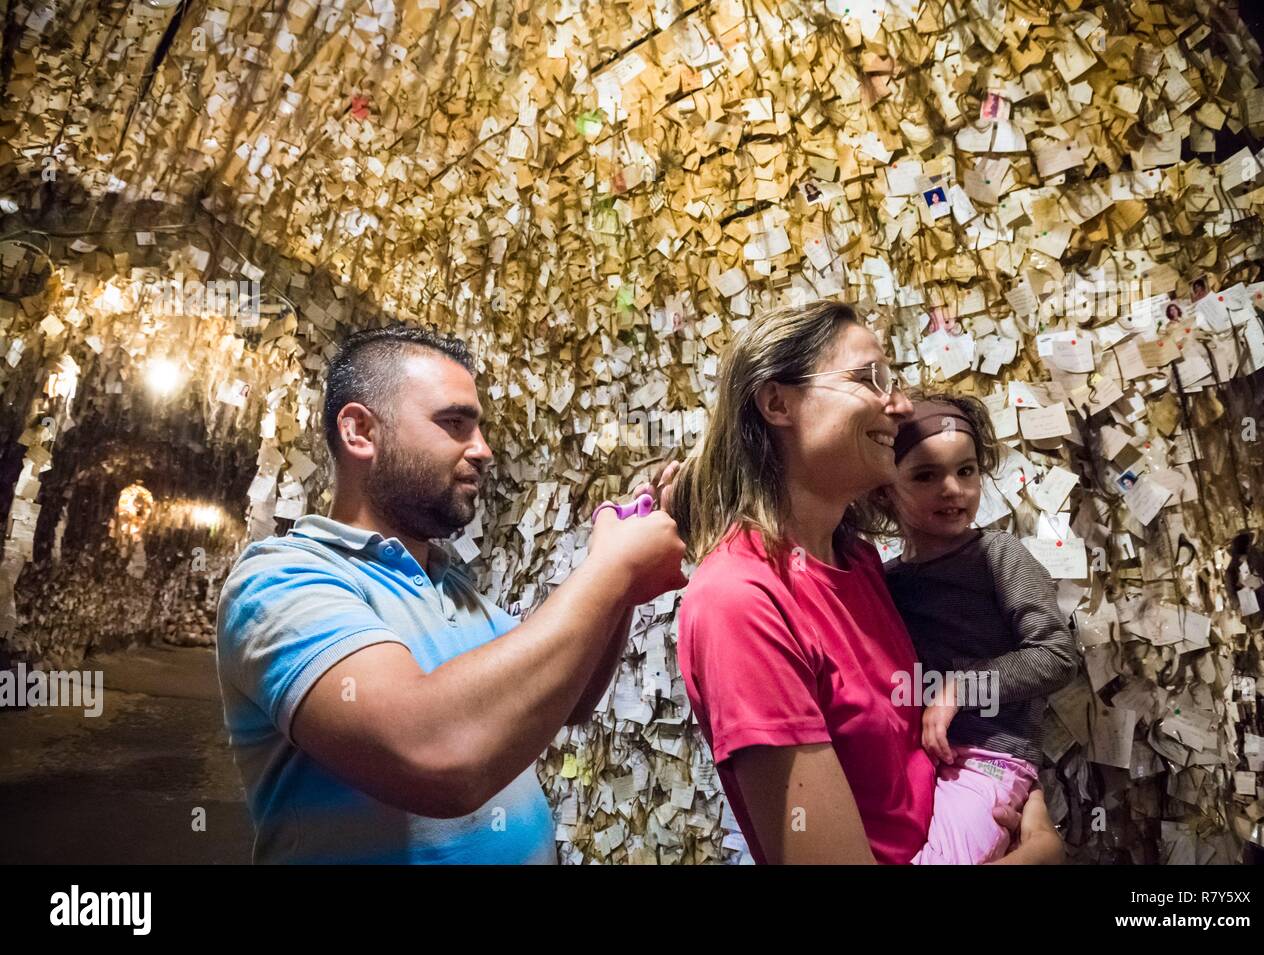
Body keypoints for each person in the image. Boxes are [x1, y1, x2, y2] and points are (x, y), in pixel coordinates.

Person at [216, 324, 686, 863]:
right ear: (360, 432)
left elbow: (568, 696)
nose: (483, 451)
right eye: (454, 424)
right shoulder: (282, 579)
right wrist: (613, 568)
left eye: (479, 428)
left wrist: (623, 581)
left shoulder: (453, 586)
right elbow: (433, 754)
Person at [670, 299, 1065, 864]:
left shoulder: (857, 563)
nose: (900, 406)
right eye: (870, 378)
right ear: (778, 401)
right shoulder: (742, 603)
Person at [876, 393, 1079, 864]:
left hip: (990, 760)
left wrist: (959, 688)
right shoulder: (886, 580)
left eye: (966, 471)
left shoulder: (998, 554)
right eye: (927, 475)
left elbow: (1056, 656)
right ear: (886, 490)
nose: (953, 489)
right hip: (916, 765)